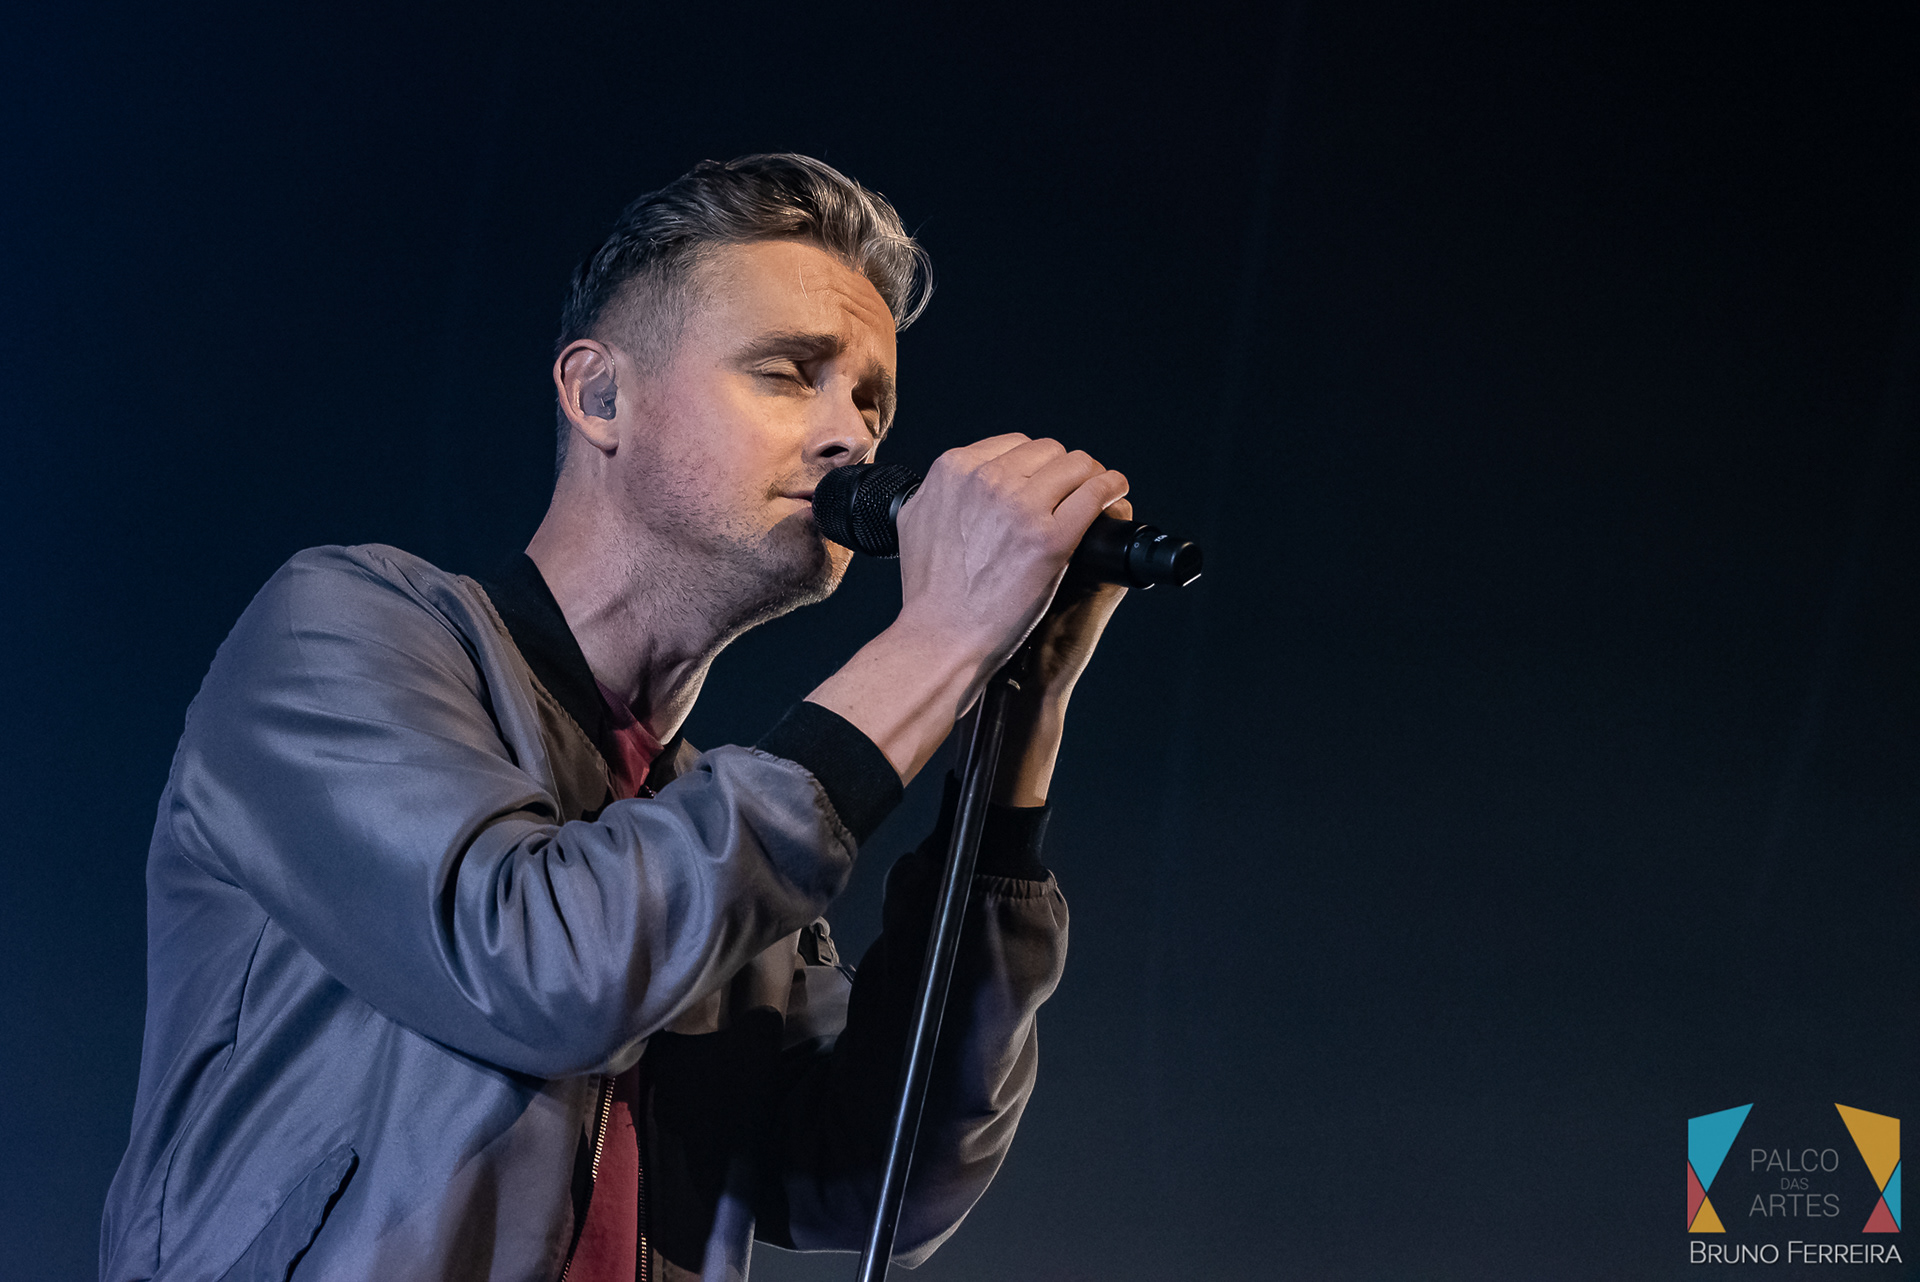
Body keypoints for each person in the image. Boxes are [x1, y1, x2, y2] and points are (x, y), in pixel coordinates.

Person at [99, 154, 1130, 1282]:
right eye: (790, 374)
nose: (853, 438)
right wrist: (935, 639)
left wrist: (1020, 715)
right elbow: (546, 963)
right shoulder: (337, 630)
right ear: (600, 397)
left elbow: (869, 1178)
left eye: (871, 400)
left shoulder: (714, 834)